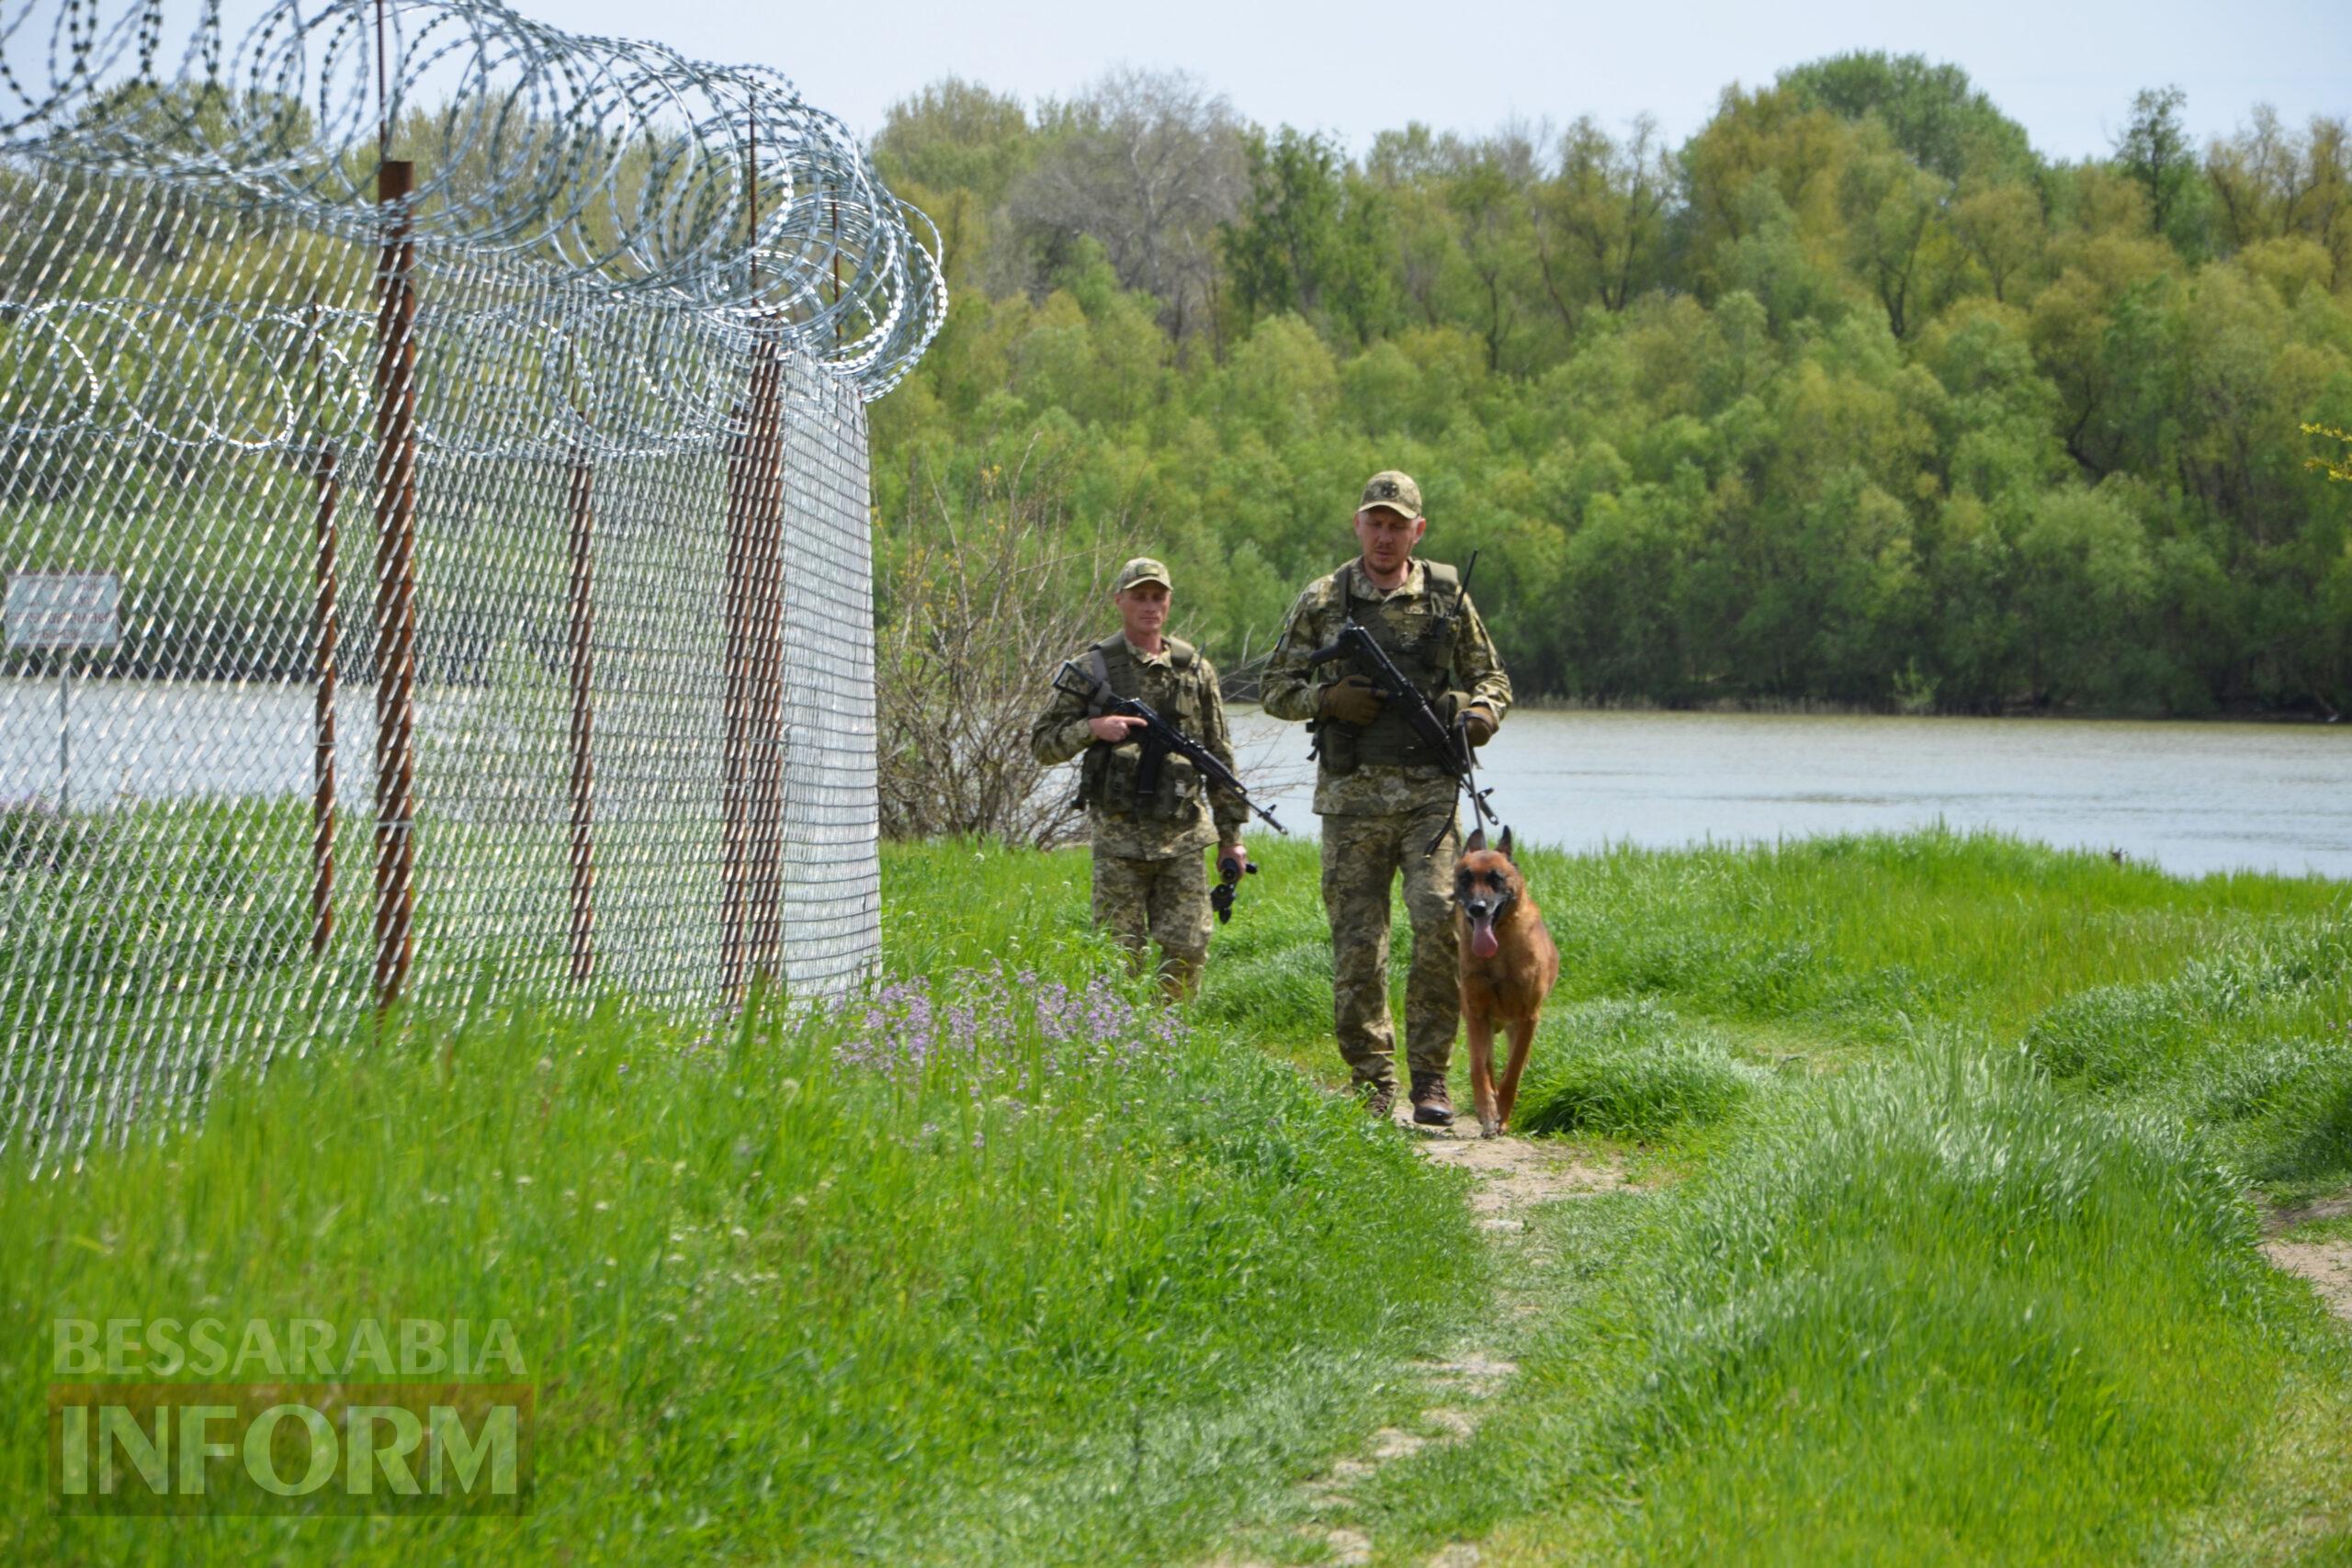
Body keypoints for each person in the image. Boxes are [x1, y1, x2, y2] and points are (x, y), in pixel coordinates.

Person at [1260, 472, 1510, 1122]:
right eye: (1375, 521)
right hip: (1350, 802)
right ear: (1358, 524)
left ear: (1417, 530)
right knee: (1357, 945)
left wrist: (1479, 713)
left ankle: (1431, 1077)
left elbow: (1492, 677)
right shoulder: (1324, 599)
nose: (1385, 534)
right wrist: (1326, 699)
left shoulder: (1448, 597)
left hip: (1430, 795)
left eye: (1397, 523)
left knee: (1436, 919)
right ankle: (1371, 1081)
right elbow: (1272, 686)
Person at [1030, 558, 1250, 998]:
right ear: (1119, 601)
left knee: (1187, 947)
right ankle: (1118, 1043)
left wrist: (1232, 837)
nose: (1149, 606)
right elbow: (1042, 743)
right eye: (1139, 597)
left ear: (1168, 603)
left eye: (1158, 597)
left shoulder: (1194, 670)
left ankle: (1171, 1040)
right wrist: (1092, 729)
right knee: (1116, 956)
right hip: (1119, 841)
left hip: (1183, 837)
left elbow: (1219, 756)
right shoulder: (1093, 669)